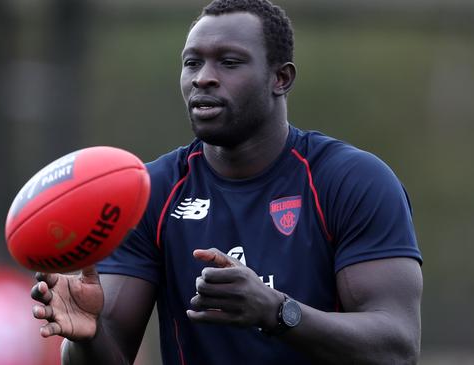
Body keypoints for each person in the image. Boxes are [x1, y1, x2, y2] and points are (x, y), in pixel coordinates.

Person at [31, 0, 423, 364]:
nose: (204, 78)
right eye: (192, 63)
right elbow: (110, 353)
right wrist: (88, 333)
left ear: (280, 78)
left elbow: (397, 345)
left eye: (229, 62)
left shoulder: (353, 181)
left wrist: (275, 311)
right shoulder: (149, 192)